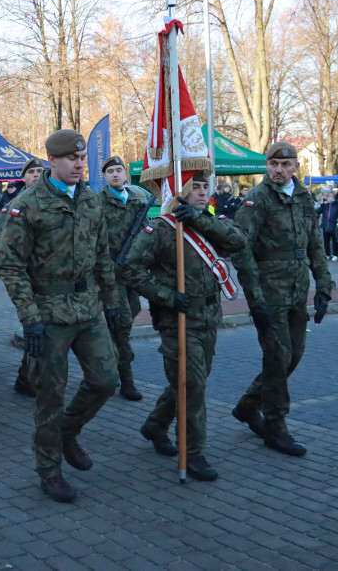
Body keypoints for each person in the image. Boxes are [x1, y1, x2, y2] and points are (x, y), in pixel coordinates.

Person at [0, 129, 122, 503]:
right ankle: (49, 471)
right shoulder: (28, 204)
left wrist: (113, 305)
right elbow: (10, 265)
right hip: (48, 313)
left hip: (88, 308)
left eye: (82, 159)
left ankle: (68, 433)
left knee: (105, 381)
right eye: (72, 159)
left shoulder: (92, 201)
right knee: (49, 396)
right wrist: (29, 318)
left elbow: (103, 257)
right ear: (52, 161)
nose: (79, 164)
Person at [123, 171, 247, 481]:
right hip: (176, 320)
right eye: (196, 187)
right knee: (193, 388)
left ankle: (154, 426)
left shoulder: (210, 222)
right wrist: (165, 296)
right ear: (181, 191)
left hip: (208, 318)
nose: (203, 193)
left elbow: (239, 240)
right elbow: (132, 270)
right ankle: (192, 453)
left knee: (186, 382)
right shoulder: (162, 230)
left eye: (206, 187)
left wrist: (200, 219)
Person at [230, 141, 334, 457]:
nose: (279, 170)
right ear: (267, 165)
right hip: (270, 293)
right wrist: (255, 299)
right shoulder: (256, 200)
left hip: (297, 290)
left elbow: (316, 244)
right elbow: (241, 250)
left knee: (293, 356)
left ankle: (248, 405)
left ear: (295, 167)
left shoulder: (304, 197)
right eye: (273, 164)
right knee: (277, 359)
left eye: (285, 165)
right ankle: (276, 428)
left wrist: (324, 286)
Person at [98, 154, 148, 401]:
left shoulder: (138, 200)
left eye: (119, 170)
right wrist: (106, 268)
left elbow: (146, 233)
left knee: (131, 313)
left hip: (133, 273)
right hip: (111, 275)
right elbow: (92, 242)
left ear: (125, 174)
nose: (115, 174)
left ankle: (108, 357)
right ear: (104, 177)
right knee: (122, 326)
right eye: (110, 172)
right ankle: (126, 380)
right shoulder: (97, 203)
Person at [3, 157, 45, 398]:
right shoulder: (17, 204)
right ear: (24, 177)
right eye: (32, 172)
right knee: (36, 327)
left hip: (49, 279)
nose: (37, 175)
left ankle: (25, 377)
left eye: (40, 171)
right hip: (28, 279)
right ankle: (30, 378)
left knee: (41, 330)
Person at [317, 190, 338, 261]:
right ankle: (327, 254)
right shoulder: (325, 205)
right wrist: (323, 204)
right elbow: (318, 211)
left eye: (332, 196)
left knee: (335, 241)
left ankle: (335, 254)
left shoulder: (337, 205)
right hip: (325, 224)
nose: (330, 198)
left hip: (334, 224)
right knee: (326, 241)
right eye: (329, 196)